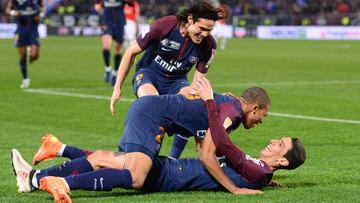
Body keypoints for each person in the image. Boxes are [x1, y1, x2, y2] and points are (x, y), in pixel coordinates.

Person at [13, 84, 271, 196]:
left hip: (148, 110)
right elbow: (206, 156)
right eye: (263, 115)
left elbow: (201, 137)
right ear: (255, 107)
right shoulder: (234, 113)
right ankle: (63, 183)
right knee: (136, 177)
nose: (261, 121)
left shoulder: (226, 104)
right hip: (152, 116)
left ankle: (34, 178)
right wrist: (235, 188)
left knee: (110, 161)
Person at [11, 135, 305, 201]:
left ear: (282, 161)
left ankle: (52, 180)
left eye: (279, 144)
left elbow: (223, 153)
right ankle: (36, 178)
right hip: (176, 168)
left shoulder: (259, 170)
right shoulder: (258, 170)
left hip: (175, 176)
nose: (272, 141)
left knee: (120, 170)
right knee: (102, 155)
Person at [110, 0, 230, 159]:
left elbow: (198, 82)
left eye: (209, 30)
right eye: (202, 29)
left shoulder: (209, 46)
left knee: (192, 101)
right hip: (148, 74)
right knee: (151, 104)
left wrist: (197, 122)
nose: (205, 34)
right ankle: (124, 152)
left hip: (176, 81)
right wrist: (117, 86)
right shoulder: (163, 26)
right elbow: (131, 52)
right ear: (190, 19)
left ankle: (173, 158)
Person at [6, 0, 45, 88]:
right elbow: (8, 9)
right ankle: (25, 78)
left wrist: (41, 15)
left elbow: (42, 6)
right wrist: (14, 13)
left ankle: (30, 55)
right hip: (21, 28)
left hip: (33, 28)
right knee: (22, 55)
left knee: (34, 56)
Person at [94, 0, 128, 85]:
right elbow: (97, 6)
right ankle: (108, 69)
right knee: (106, 46)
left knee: (118, 50)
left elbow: (131, 3)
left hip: (119, 25)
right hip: (107, 24)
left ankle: (115, 73)